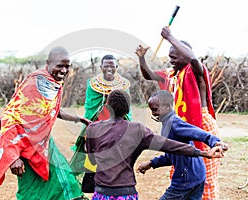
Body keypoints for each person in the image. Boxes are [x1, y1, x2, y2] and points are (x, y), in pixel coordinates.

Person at [0, 46, 91, 200]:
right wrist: (13, 157)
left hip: (45, 144)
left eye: (68, 66)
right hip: (24, 147)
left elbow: (53, 109)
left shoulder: (53, 83)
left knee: (66, 181)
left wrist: (78, 118)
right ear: (48, 63)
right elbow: (11, 117)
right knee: (31, 189)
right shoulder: (35, 84)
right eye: (60, 65)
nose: (64, 70)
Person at [86, 89, 225, 200]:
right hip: (127, 193)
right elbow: (171, 148)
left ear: (107, 107)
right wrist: (202, 153)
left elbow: (91, 160)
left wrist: (211, 144)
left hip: (102, 192)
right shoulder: (139, 130)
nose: (154, 114)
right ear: (128, 110)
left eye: (155, 109)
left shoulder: (93, 129)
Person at [136, 27, 221, 199]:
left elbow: (193, 58)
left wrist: (170, 37)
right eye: (170, 57)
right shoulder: (171, 75)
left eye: (175, 56)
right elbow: (149, 75)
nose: (171, 60)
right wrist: (142, 58)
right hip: (179, 126)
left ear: (185, 54)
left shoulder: (195, 70)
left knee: (206, 176)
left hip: (201, 124)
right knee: (183, 166)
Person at [138, 90, 228, 200]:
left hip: (186, 178)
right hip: (197, 174)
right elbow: (172, 156)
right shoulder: (167, 124)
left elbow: (198, 133)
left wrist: (215, 142)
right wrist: (151, 163)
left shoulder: (174, 123)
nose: (153, 114)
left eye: (155, 110)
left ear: (167, 106)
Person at [70, 55, 132, 181]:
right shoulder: (92, 84)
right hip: (98, 123)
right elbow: (90, 106)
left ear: (116, 67)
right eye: (106, 65)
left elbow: (127, 107)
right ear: (101, 67)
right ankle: (92, 180)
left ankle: (116, 178)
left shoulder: (124, 84)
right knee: (94, 153)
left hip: (117, 124)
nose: (109, 68)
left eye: (112, 65)